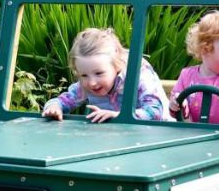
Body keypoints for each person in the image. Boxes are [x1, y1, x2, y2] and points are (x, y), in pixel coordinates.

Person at [42, 27, 170, 122]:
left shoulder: (137, 74)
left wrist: (119, 115)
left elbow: (155, 111)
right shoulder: (86, 86)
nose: (91, 82)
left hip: (157, 134)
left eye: (99, 73)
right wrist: (54, 107)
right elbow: (65, 100)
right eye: (84, 75)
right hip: (117, 136)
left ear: (117, 64)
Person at [169, 11, 219, 125]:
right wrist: (176, 104)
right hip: (199, 134)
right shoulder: (186, 75)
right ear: (205, 50)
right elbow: (176, 107)